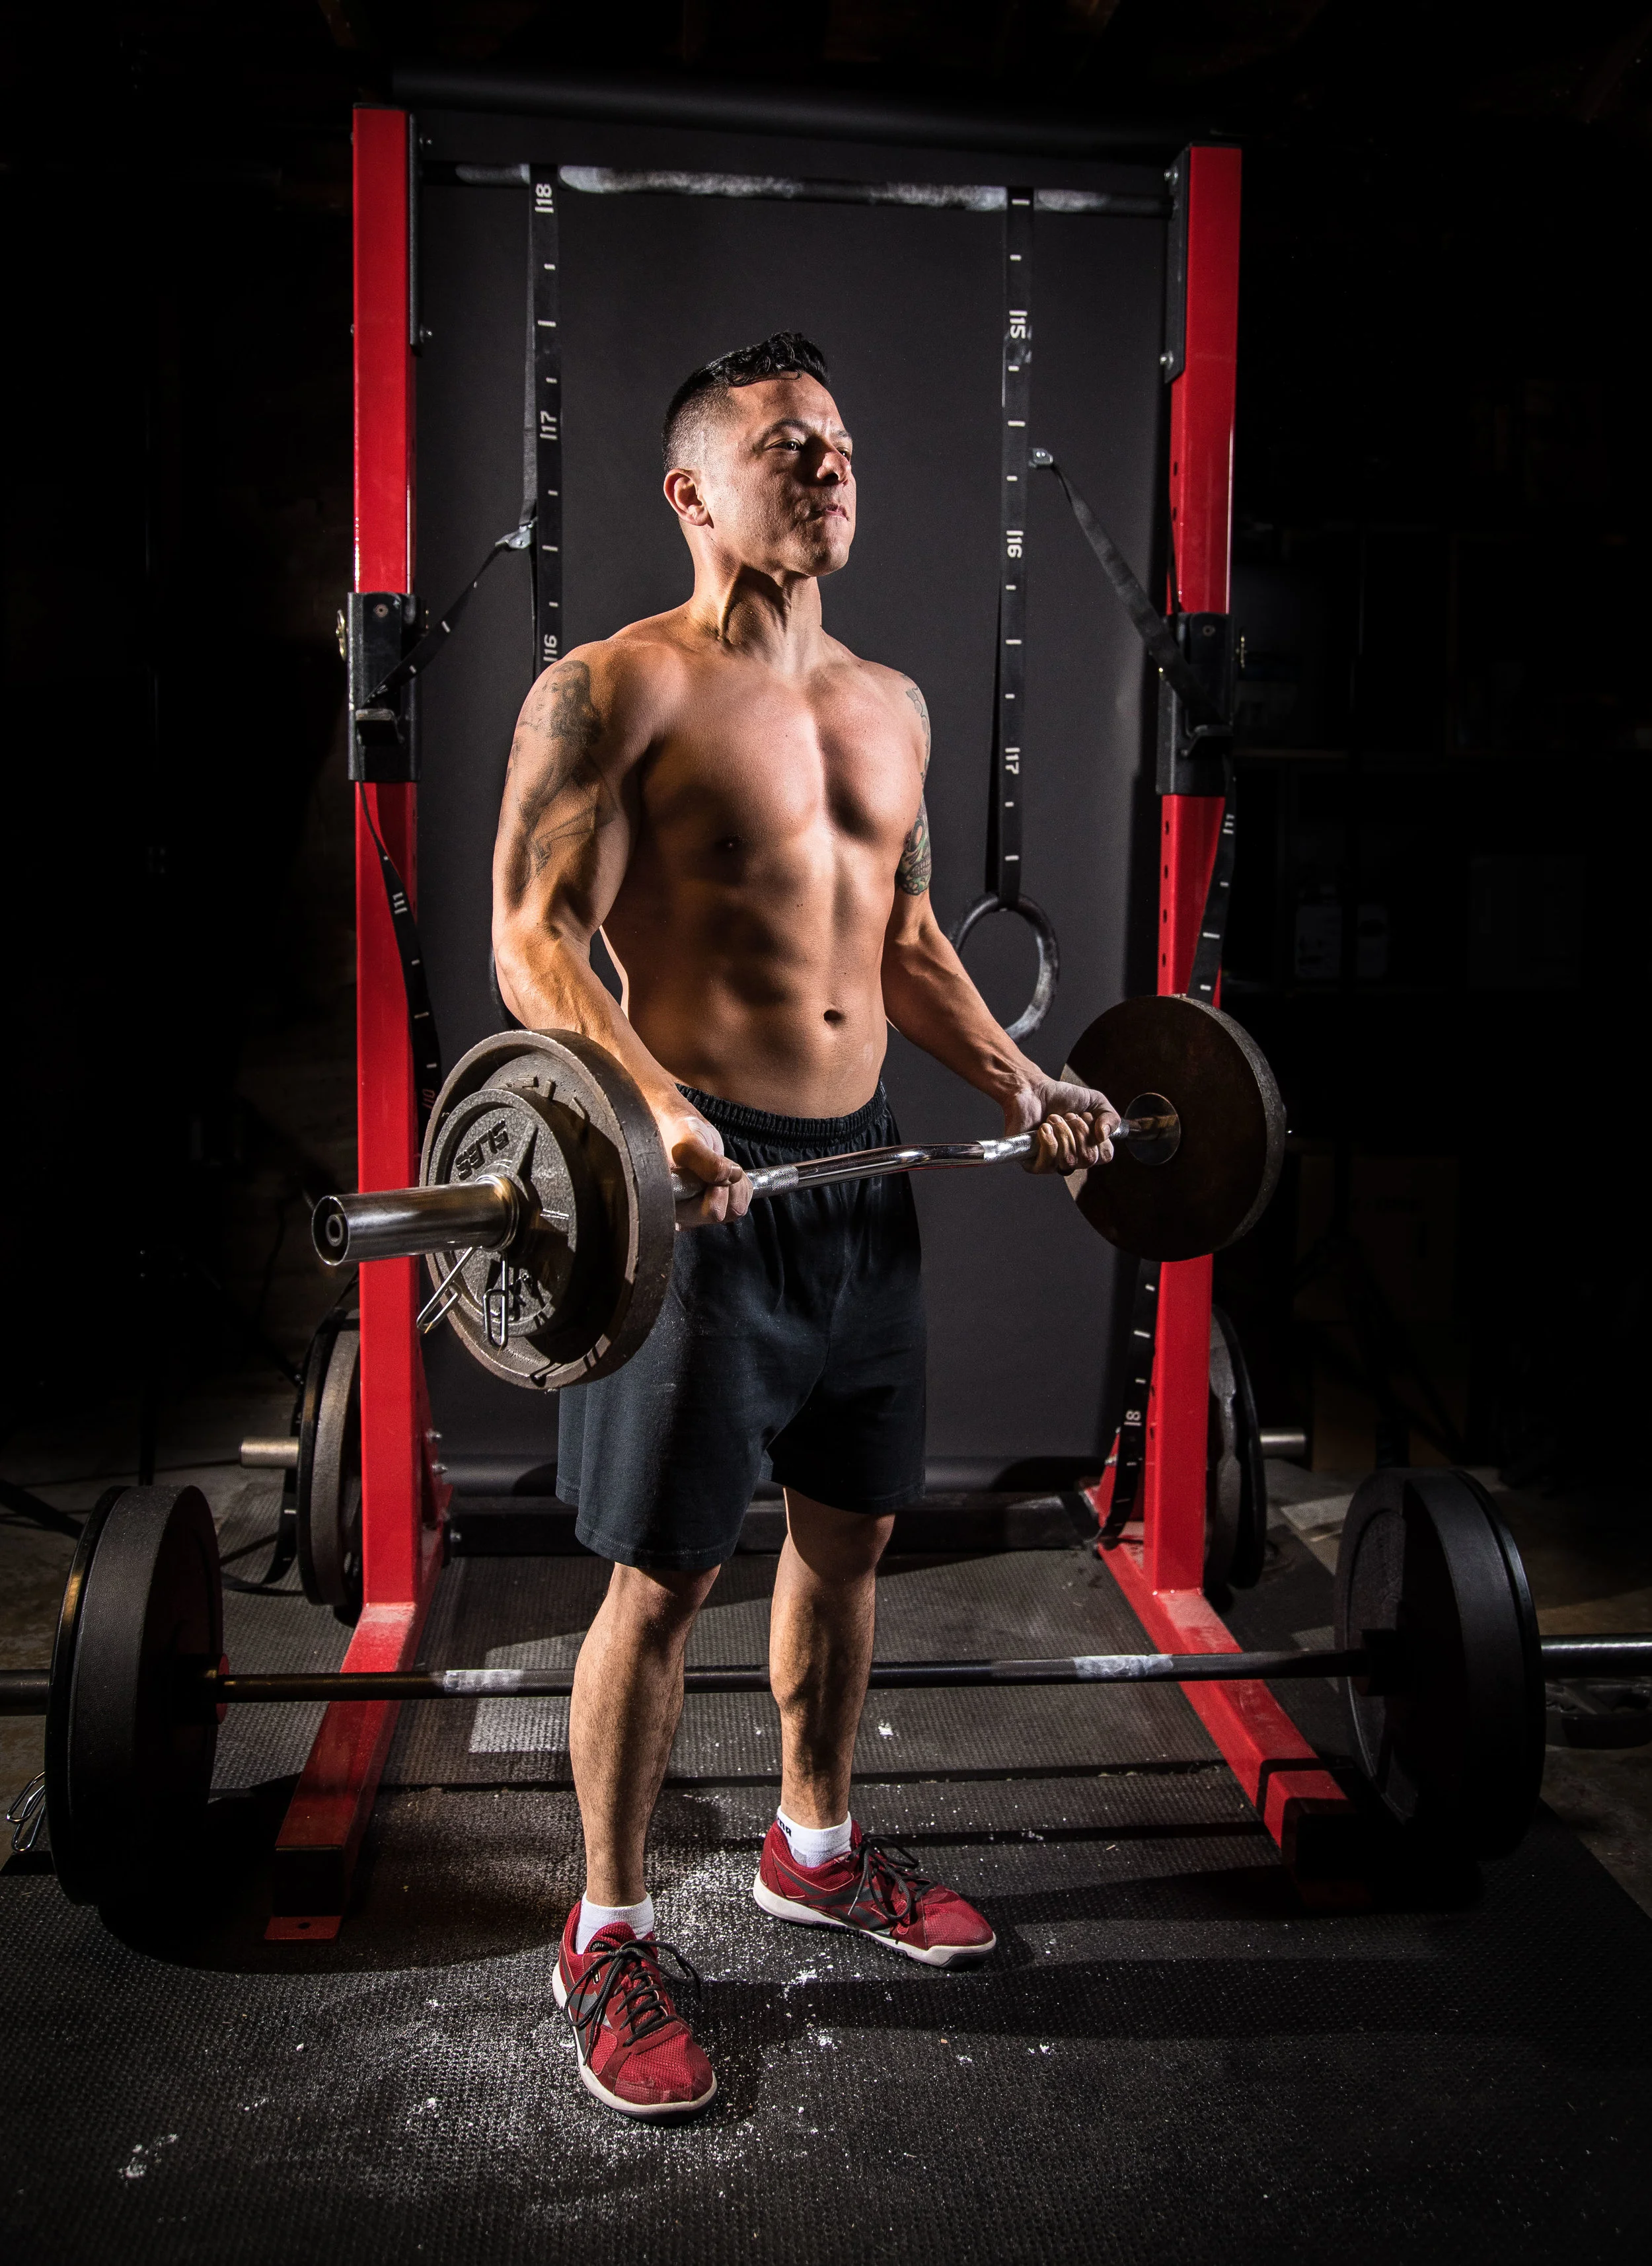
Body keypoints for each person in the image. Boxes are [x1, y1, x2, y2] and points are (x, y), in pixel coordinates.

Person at [492, 332, 1117, 2122]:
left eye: (838, 443)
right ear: (691, 490)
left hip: (861, 1180)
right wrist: (655, 1105)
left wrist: (1024, 1083)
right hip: (701, 1191)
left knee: (848, 1540)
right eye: (787, 446)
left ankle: (815, 1851)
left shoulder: (891, 703)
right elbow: (534, 937)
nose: (831, 465)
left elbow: (903, 944)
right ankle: (607, 1929)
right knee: (662, 1573)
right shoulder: (611, 690)